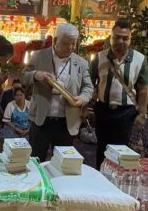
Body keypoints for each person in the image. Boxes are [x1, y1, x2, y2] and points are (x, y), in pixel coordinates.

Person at [22, 23, 94, 161]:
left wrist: (83, 98)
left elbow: (88, 87)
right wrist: (36, 75)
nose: (71, 47)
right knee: (36, 159)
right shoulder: (39, 56)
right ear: (55, 40)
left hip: (66, 122)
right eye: (66, 43)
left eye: (74, 43)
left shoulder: (81, 63)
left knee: (63, 162)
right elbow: (23, 76)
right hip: (41, 119)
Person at [90, 19, 148, 168]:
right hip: (103, 111)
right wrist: (86, 106)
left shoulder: (139, 59)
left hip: (126, 113)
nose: (120, 41)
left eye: (125, 38)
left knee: (122, 151)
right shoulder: (99, 58)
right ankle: (100, 176)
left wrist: (142, 114)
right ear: (110, 37)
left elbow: (143, 89)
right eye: (117, 37)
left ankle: (118, 179)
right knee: (101, 148)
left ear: (130, 39)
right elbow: (90, 83)